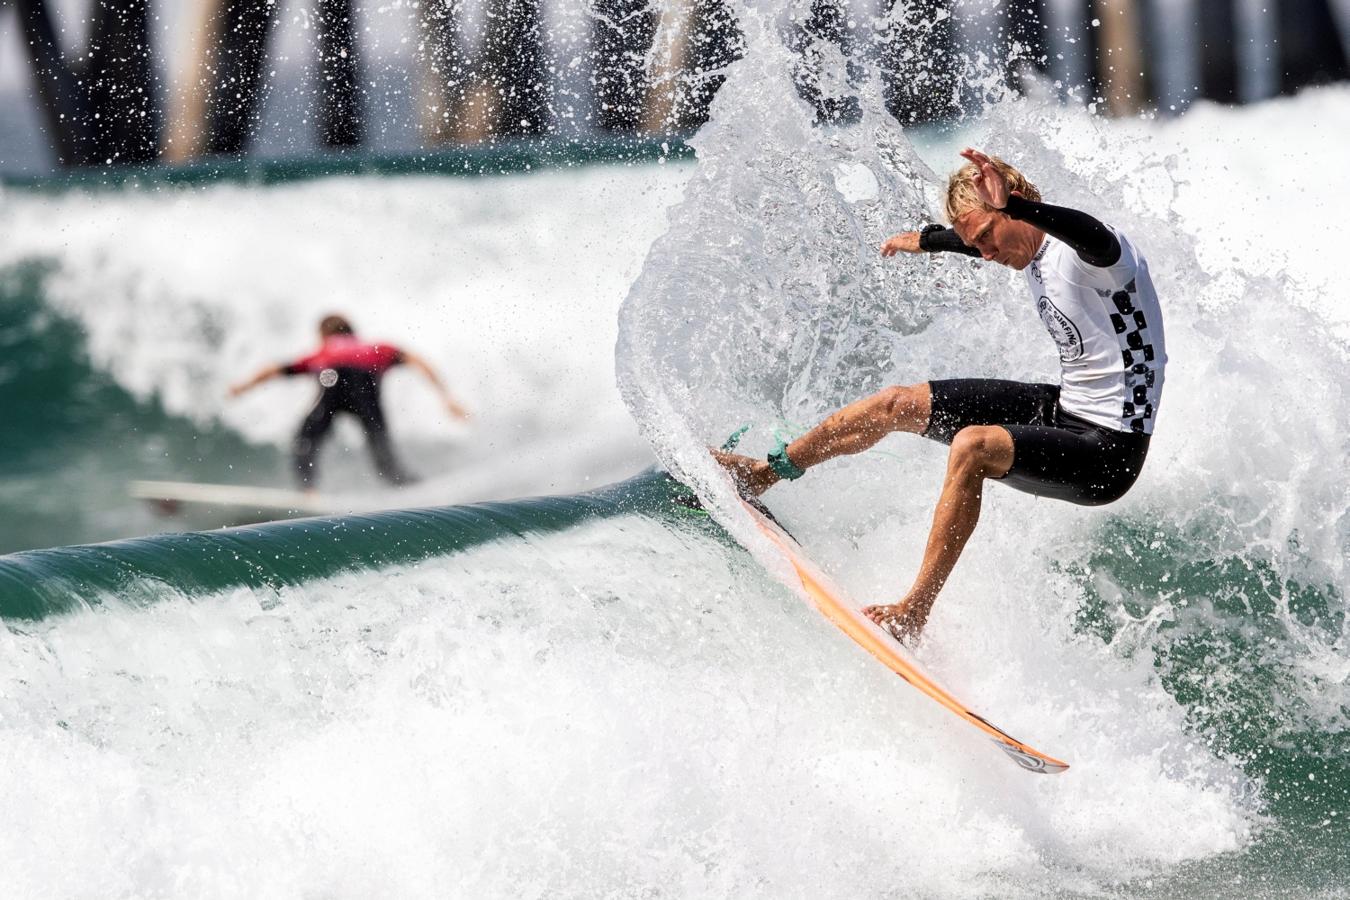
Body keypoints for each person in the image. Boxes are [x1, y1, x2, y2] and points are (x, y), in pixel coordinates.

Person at [714, 148, 1166, 642]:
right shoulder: (1022, 248)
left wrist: (1013, 208)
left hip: (1110, 452)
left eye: (990, 237)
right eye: (978, 244)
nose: (987, 254)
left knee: (973, 445)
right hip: (1065, 409)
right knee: (896, 403)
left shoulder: (1098, 258)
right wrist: (930, 241)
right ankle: (763, 474)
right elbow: (976, 238)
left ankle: (913, 612)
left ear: (1019, 205)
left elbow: (1089, 232)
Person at [229, 314, 468, 490]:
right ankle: (415, 489)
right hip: (367, 389)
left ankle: (309, 492)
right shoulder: (377, 349)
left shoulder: (323, 351)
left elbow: (276, 369)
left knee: (306, 439)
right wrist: (446, 397)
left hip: (333, 379)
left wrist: (244, 386)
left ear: (323, 336)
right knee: (384, 458)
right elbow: (417, 360)